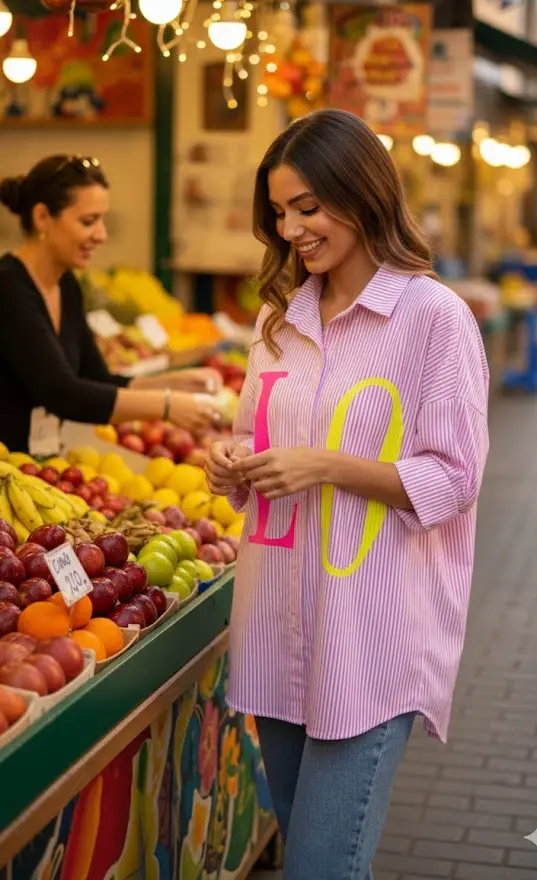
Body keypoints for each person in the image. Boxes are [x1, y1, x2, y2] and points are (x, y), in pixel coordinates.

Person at [206, 110, 489, 880]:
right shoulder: (278, 321)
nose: (291, 228)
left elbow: (456, 478)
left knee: (321, 867)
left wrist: (325, 466)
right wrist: (231, 464)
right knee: (320, 861)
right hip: (274, 627)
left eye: (307, 206)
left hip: (371, 637)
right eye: (278, 212)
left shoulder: (434, 320)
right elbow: (248, 440)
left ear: (360, 195)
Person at [0, 154, 220, 455]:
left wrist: (169, 384)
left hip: (37, 468)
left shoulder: (66, 284)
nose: (102, 235)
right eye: (88, 221)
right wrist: (166, 405)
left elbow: (94, 378)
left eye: (103, 220)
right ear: (42, 218)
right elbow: (62, 393)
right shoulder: (8, 287)